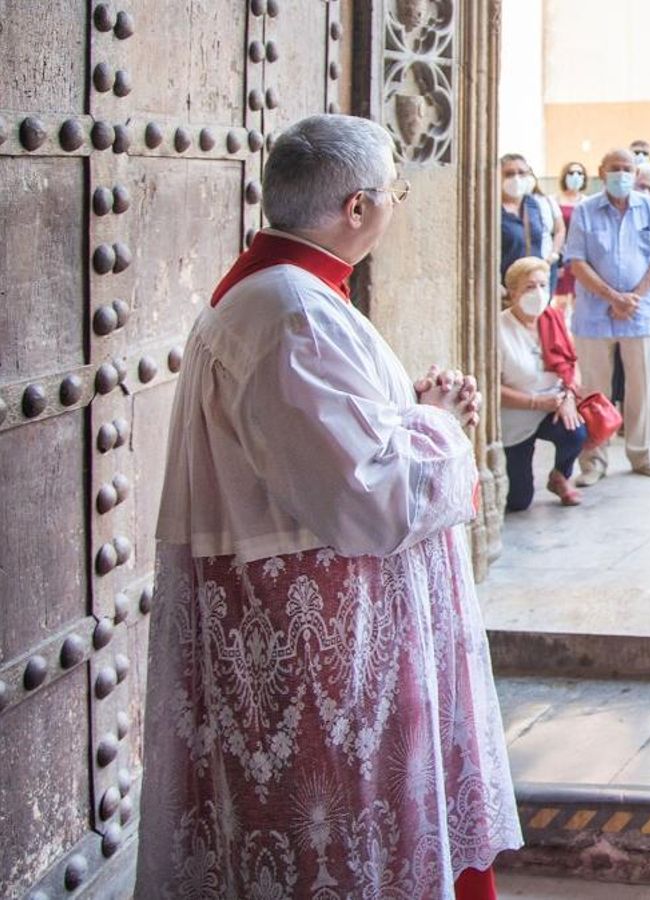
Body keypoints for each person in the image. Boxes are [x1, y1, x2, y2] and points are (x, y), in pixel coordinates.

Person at [136, 114, 519, 899]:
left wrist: (407, 410)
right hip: (321, 657)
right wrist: (442, 426)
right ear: (356, 207)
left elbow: (319, 451)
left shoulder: (288, 296)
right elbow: (368, 498)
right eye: (395, 192)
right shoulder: (293, 312)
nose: (396, 206)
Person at [564, 147, 650, 481]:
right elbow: (577, 261)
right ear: (601, 172)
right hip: (594, 314)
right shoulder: (585, 211)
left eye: (627, 169)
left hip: (640, 313)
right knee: (595, 392)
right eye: (615, 168)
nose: (622, 174)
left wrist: (633, 298)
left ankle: (643, 455)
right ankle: (593, 461)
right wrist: (612, 297)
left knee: (644, 387)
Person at [500, 258, 588, 508]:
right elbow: (490, 388)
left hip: (554, 405)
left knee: (575, 432)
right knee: (519, 502)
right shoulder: (499, 328)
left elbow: (572, 363)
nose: (538, 293)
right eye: (529, 287)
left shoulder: (553, 318)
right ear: (513, 292)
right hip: (517, 415)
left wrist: (569, 397)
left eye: (542, 285)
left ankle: (560, 475)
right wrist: (536, 402)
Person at [499, 152, 546, 280]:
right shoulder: (493, 210)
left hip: (534, 284)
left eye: (521, 173)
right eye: (509, 174)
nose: (516, 178)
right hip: (505, 287)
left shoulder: (532, 204)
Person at [553, 160, 589, 306]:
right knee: (559, 301)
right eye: (571, 173)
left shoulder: (587, 202)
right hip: (560, 256)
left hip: (580, 257)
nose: (576, 176)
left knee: (578, 299)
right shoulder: (553, 200)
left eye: (580, 173)